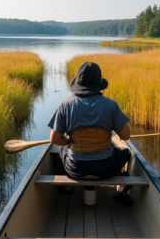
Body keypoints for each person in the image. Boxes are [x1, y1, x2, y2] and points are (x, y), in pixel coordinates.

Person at [47, 61, 133, 205]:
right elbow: (126, 136)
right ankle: (123, 188)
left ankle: (67, 186)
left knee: (61, 149)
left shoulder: (66, 105)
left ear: (78, 82)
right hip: (106, 169)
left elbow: (55, 138)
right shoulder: (110, 104)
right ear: (98, 83)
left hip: (75, 170)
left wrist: (69, 141)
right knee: (125, 153)